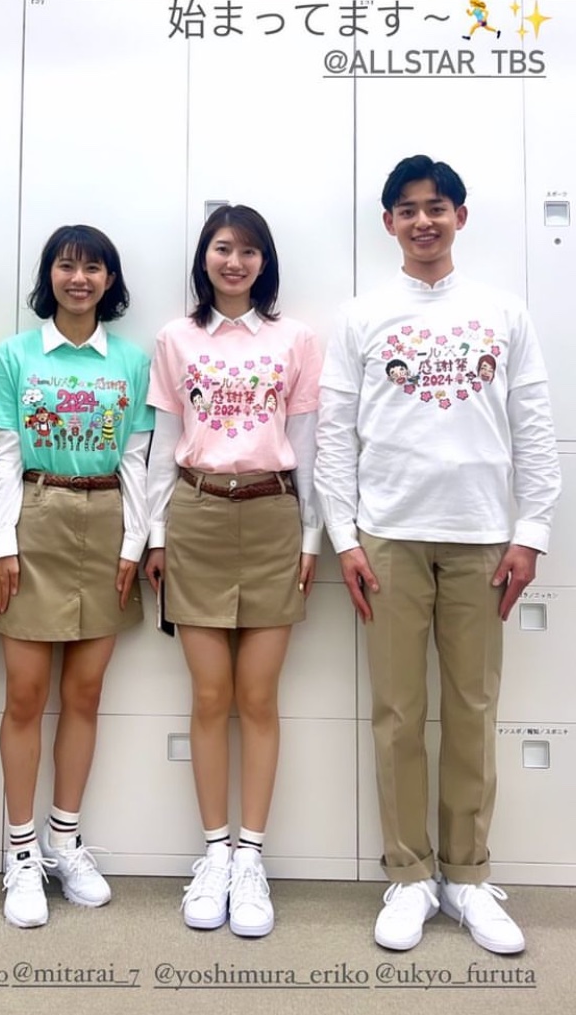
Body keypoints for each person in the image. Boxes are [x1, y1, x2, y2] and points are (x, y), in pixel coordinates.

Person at [315, 155, 560, 955]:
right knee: (396, 713)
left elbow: (534, 427)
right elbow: (333, 437)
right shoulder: (362, 316)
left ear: (460, 216)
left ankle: (468, 876)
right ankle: (410, 875)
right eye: (409, 209)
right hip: (388, 538)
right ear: (389, 222)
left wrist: (531, 532)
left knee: (472, 710)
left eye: (437, 207)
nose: (424, 221)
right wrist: (345, 537)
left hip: (483, 538)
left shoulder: (503, 313)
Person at [145, 204, 321, 938]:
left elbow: (308, 443)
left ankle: (251, 858)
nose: (235, 262)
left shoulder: (295, 339)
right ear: (204, 258)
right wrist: (154, 535)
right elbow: (163, 444)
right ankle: (215, 853)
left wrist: (312, 535)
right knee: (210, 695)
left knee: (258, 697)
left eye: (249, 251)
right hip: (198, 515)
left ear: (264, 263)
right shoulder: (175, 338)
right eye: (223, 248)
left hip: (274, 515)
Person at [0, 225, 153, 928]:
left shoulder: (130, 361)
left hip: (106, 521)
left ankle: (65, 842)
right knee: (24, 695)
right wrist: (1, 545)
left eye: (93, 267)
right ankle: (20, 853)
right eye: (67, 265)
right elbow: (3, 458)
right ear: (49, 274)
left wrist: (134, 544)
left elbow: (136, 459)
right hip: (35, 517)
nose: (79, 278)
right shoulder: (15, 355)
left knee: (85, 693)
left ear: (111, 280)